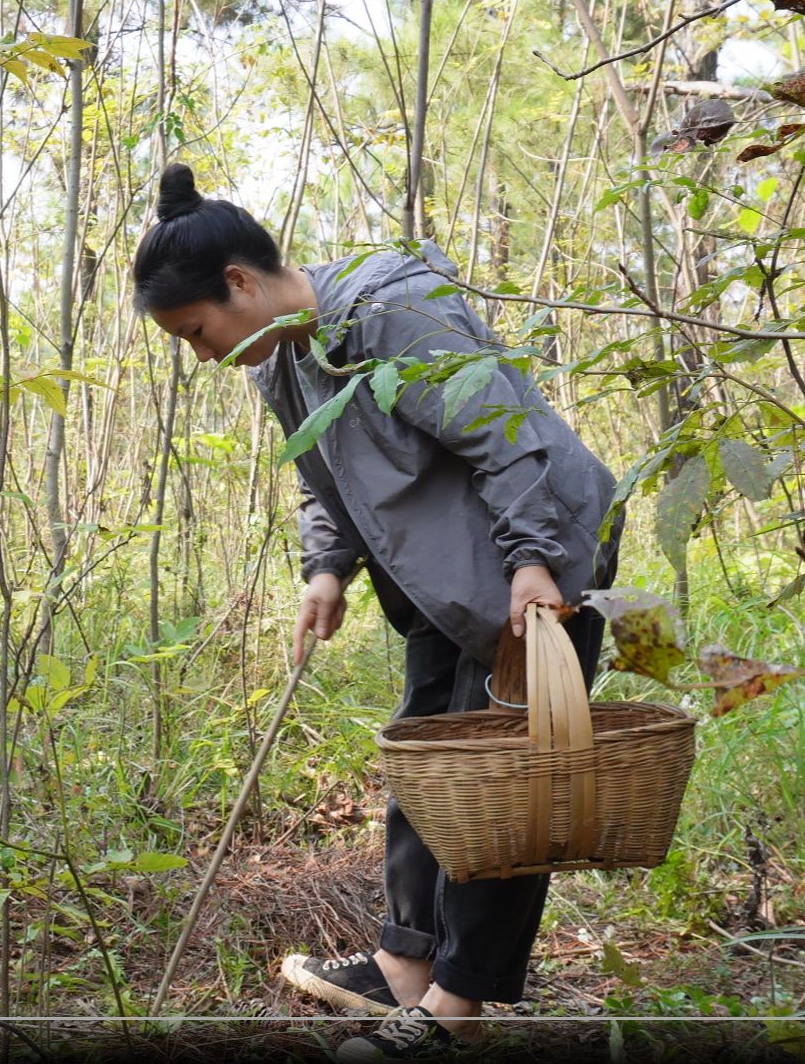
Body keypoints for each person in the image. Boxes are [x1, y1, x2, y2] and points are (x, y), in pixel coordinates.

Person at [132, 163, 623, 1060]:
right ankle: (405, 965)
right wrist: (328, 569)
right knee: (422, 755)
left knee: (503, 789)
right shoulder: (280, 357)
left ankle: (454, 1009)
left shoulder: (390, 312)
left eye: (198, 331)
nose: (202, 354)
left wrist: (535, 561)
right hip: (437, 575)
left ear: (239, 283)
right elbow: (328, 475)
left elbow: (507, 431)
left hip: (531, 557)